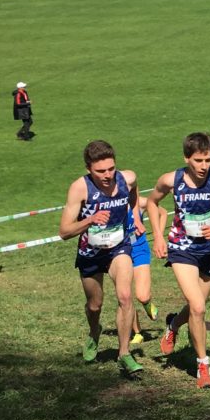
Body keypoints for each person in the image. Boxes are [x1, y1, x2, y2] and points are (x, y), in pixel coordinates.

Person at [147, 132, 210, 389]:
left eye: (208, 160)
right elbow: (152, 203)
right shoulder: (171, 180)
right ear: (186, 158)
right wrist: (158, 236)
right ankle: (203, 365)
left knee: (196, 307)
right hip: (182, 248)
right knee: (199, 308)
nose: (204, 166)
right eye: (198, 161)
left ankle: (173, 324)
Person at [58, 140, 143, 378]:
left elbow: (134, 192)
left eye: (111, 169)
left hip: (119, 247)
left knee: (126, 296)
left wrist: (135, 216)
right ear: (88, 169)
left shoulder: (127, 178)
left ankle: (124, 353)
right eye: (100, 171)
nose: (107, 175)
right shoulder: (80, 188)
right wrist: (89, 220)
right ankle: (94, 332)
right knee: (95, 305)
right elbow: (64, 231)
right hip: (90, 252)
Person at [128, 195, 161, 345]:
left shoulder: (140, 202)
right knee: (125, 296)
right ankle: (137, 333)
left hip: (139, 251)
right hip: (120, 253)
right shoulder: (110, 204)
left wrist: (158, 236)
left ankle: (148, 304)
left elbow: (162, 213)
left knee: (142, 296)